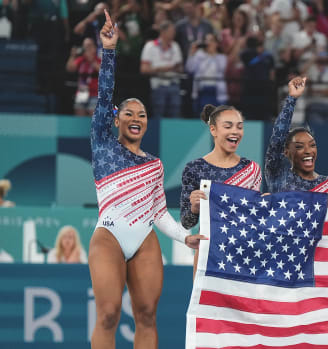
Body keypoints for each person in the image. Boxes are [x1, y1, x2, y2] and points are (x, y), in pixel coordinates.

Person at [89, 11, 203, 348]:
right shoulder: (103, 144)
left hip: (144, 238)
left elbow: (158, 212)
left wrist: (186, 238)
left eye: (142, 114)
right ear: (117, 120)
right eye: (129, 114)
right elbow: (104, 97)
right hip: (109, 234)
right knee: (108, 313)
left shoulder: (154, 165)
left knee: (147, 315)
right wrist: (109, 51)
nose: (136, 118)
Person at [180, 103, 262, 277]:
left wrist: (265, 205)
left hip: (244, 254)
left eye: (239, 127)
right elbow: (187, 222)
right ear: (213, 130)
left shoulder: (251, 169)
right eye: (228, 126)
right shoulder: (194, 168)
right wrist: (194, 208)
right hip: (209, 252)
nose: (235, 131)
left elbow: (254, 218)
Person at [264, 76, 328, 199]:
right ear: (286, 152)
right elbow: (277, 139)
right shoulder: (278, 175)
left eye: (312, 145)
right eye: (299, 146)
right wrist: (292, 99)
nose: (308, 151)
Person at [140, 20, 183, 118]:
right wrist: (163, 69)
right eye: (171, 31)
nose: (174, 34)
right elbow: (144, 69)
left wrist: (175, 68)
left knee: (175, 114)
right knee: (159, 114)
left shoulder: (175, 46)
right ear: (163, 32)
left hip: (173, 83)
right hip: (158, 84)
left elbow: (180, 68)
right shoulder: (150, 46)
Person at [66, 37, 101, 116]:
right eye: (84, 46)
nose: (86, 49)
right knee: (79, 118)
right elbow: (70, 69)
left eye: (88, 46)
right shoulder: (81, 59)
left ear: (94, 48)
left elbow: (102, 72)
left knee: (93, 119)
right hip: (82, 92)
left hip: (94, 94)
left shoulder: (99, 60)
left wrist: (91, 60)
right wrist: (72, 56)